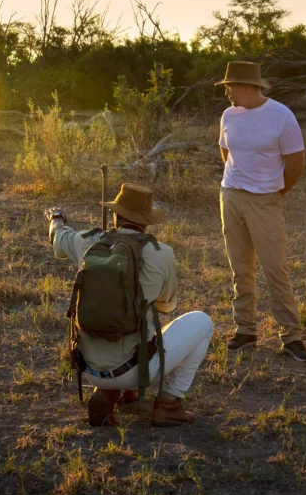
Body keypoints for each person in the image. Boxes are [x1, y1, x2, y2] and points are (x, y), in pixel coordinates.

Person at [48, 183, 213, 427]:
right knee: (203, 322)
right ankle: (168, 403)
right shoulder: (162, 253)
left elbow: (57, 240)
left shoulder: (90, 242)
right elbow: (166, 306)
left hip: (89, 369)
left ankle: (107, 392)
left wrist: (56, 218)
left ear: (115, 215)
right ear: (147, 221)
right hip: (135, 367)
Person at [215, 61, 306, 362]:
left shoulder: (281, 116)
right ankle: (245, 330)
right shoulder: (228, 115)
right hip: (231, 196)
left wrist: (272, 192)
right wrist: (239, 185)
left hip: (265, 200)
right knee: (240, 268)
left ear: (247, 86)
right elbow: (226, 153)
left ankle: (291, 336)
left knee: (275, 269)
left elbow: (296, 165)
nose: (227, 92)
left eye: (230, 86)